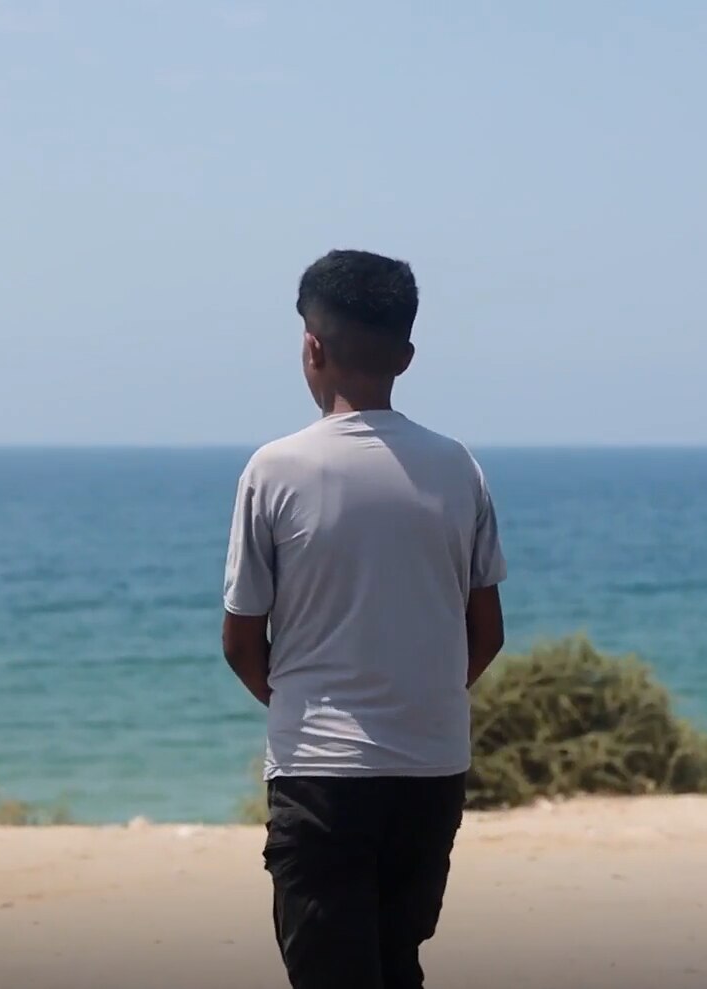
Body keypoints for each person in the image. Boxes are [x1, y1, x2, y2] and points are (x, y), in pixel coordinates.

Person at [221, 248, 508, 989]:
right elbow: (487, 633)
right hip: (430, 767)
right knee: (395, 963)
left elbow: (242, 638)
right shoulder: (457, 467)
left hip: (320, 772)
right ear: (406, 356)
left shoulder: (274, 468)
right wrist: (422, 694)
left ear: (310, 347)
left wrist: (300, 702)